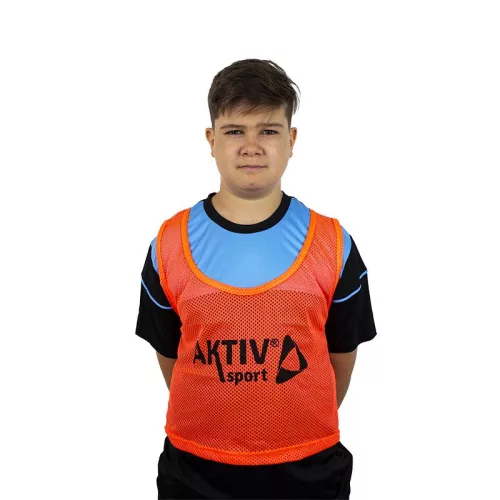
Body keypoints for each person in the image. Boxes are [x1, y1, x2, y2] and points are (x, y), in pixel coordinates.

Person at [135, 58, 377, 499]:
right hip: (196, 471)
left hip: (309, 470)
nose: (251, 146)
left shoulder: (333, 243)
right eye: (234, 131)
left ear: (291, 140)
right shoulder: (170, 243)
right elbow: (170, 353)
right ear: (211, 141)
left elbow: (341, 355)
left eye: (268, 130)